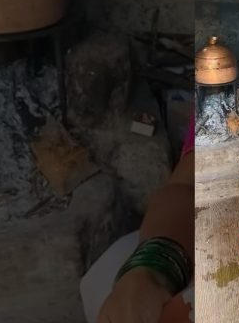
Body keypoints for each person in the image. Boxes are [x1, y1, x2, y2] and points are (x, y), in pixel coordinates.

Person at [79, 124, 195, 323]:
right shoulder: (231, 106)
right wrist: (153, 270)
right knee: (102, 285)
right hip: (204, 245)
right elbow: (187, 184)